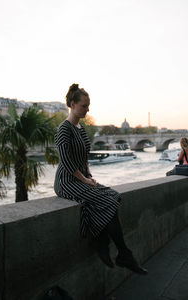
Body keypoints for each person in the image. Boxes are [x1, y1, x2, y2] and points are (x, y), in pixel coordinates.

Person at [54, 83, 147, 275]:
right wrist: (84, 180)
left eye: (88, 106)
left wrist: (89, 175)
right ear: (72, 104)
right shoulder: (64, 129)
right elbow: (67, 161)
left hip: (80, 178)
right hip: (66, 181)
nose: (88, 109)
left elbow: (83, 157)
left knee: (113, 195)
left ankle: (103, 242)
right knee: (105, 199)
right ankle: (122, 253)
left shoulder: (80, 128)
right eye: (84, 106)